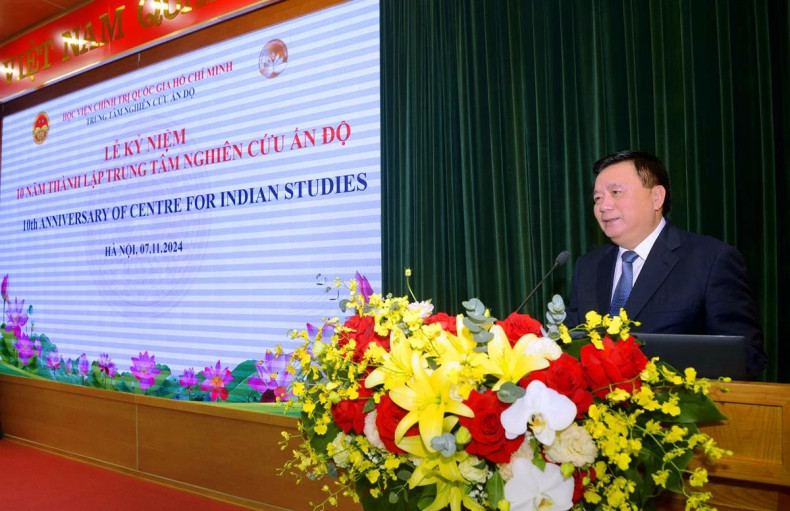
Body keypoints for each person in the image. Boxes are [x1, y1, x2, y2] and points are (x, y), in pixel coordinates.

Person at [565, 150, 767, 379]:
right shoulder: (588, 267)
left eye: (615, 192)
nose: (603, 206)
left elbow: (746, 357)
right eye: (597, 198)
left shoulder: (711, 260)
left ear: (656, 197)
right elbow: (571, 346)